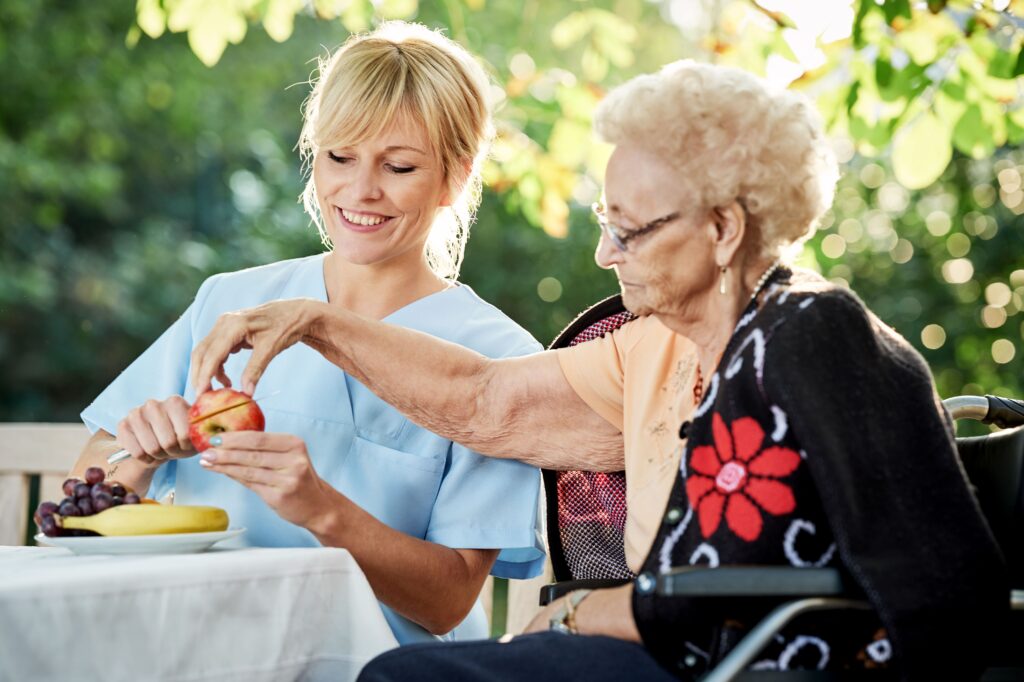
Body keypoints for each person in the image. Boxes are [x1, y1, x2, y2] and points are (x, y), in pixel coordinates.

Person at [188, 60, 1008, 679]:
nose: (602, 252)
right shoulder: (655, 342)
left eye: (630, 231)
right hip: (686, 647)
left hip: (743, 660)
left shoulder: (811, 332)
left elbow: (788, 581)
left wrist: (579, 613)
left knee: (403, 677)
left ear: (723, 230)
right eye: (603, 222)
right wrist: (321, 324)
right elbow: (485, 401)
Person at [69, 21, 546, 645]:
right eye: (338, 157)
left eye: (398, 166)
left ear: (454, 177)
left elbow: (449, 601)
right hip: (205, 650)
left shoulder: (501, 358)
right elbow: (81, 500)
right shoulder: (230, 300)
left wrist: (322, 509)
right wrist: (136, 460)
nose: (360, 190)